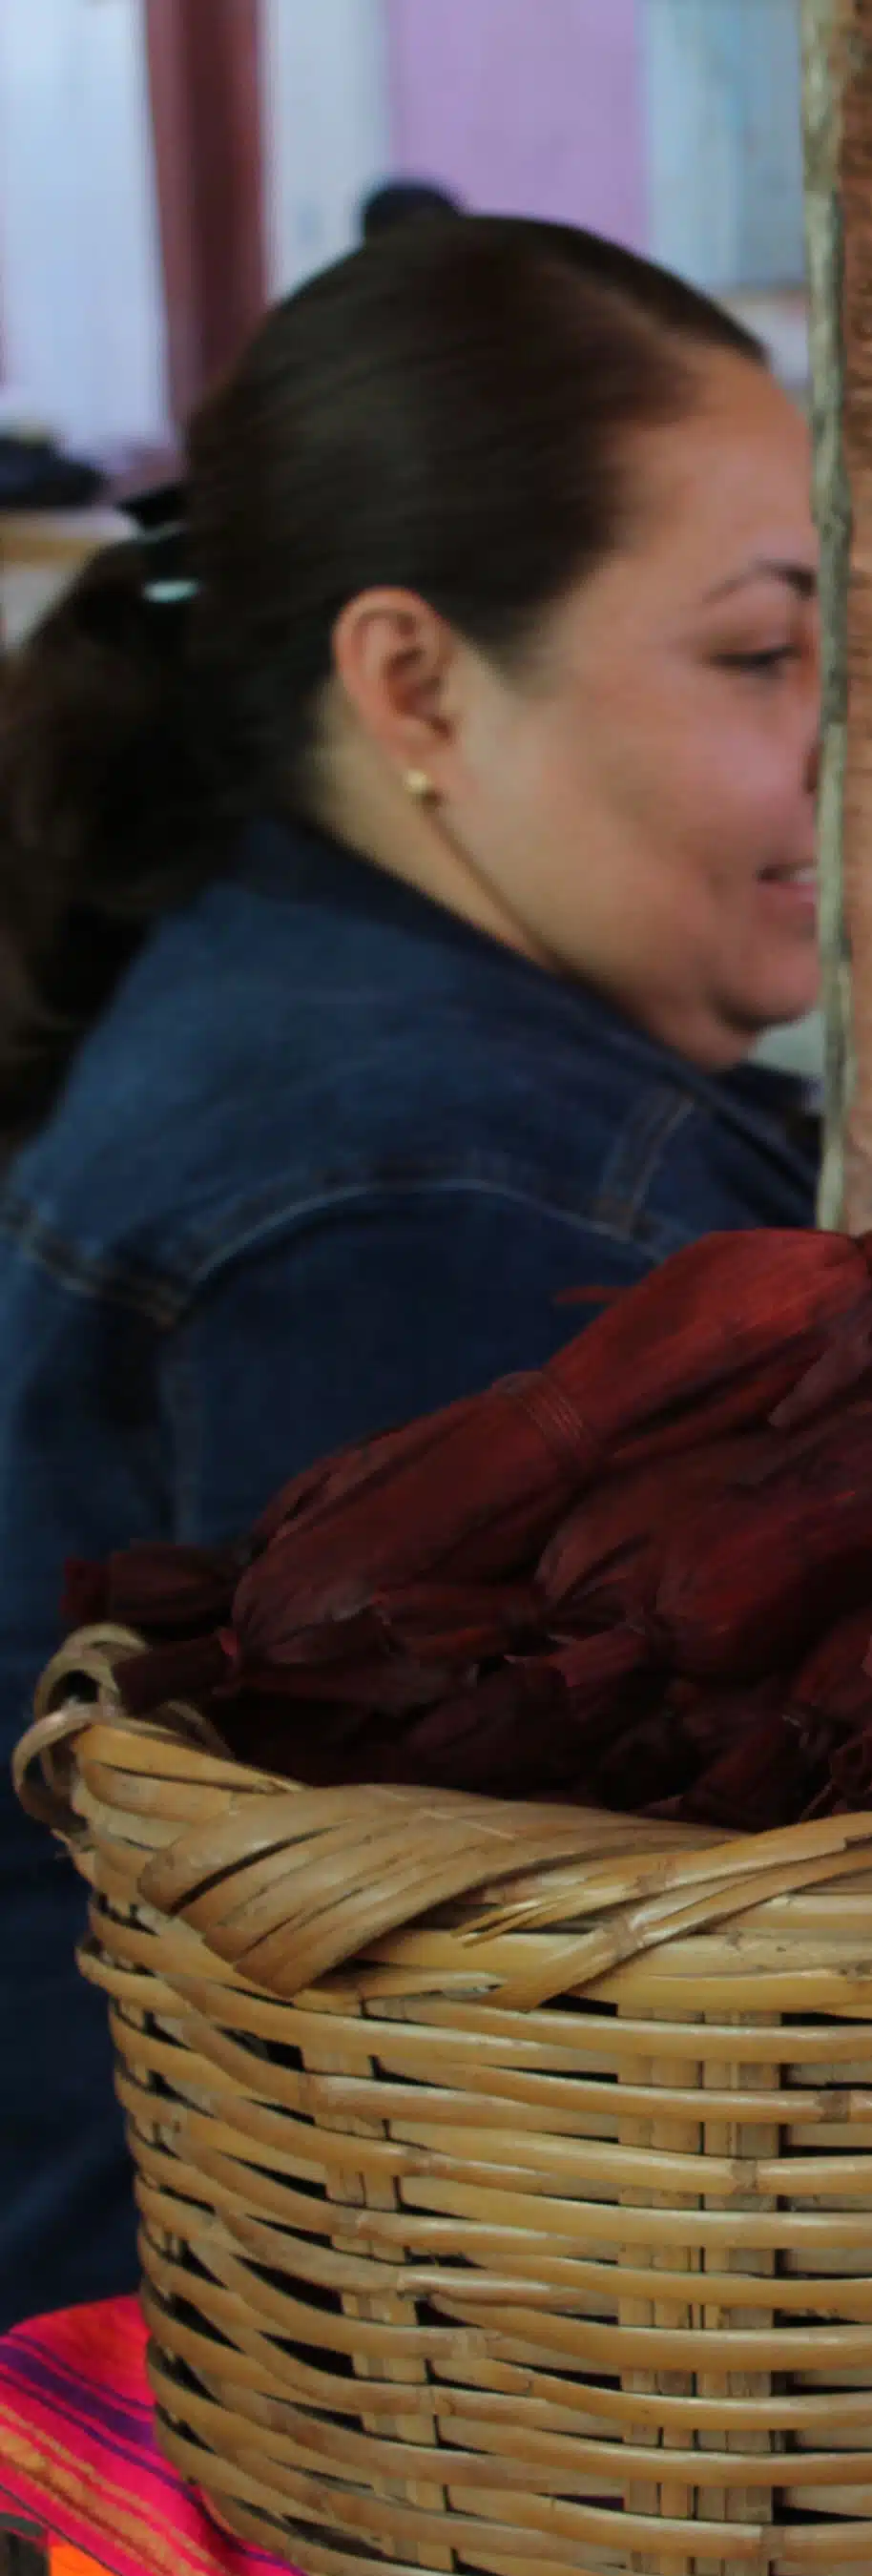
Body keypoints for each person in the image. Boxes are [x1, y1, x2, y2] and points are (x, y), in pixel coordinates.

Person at [0, 218, 825, 2326]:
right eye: (757, 657)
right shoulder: (448, 1213)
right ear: (415, 681)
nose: (843, 741)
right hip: (285, 2455)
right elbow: (517, 2097)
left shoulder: (316, 1013)